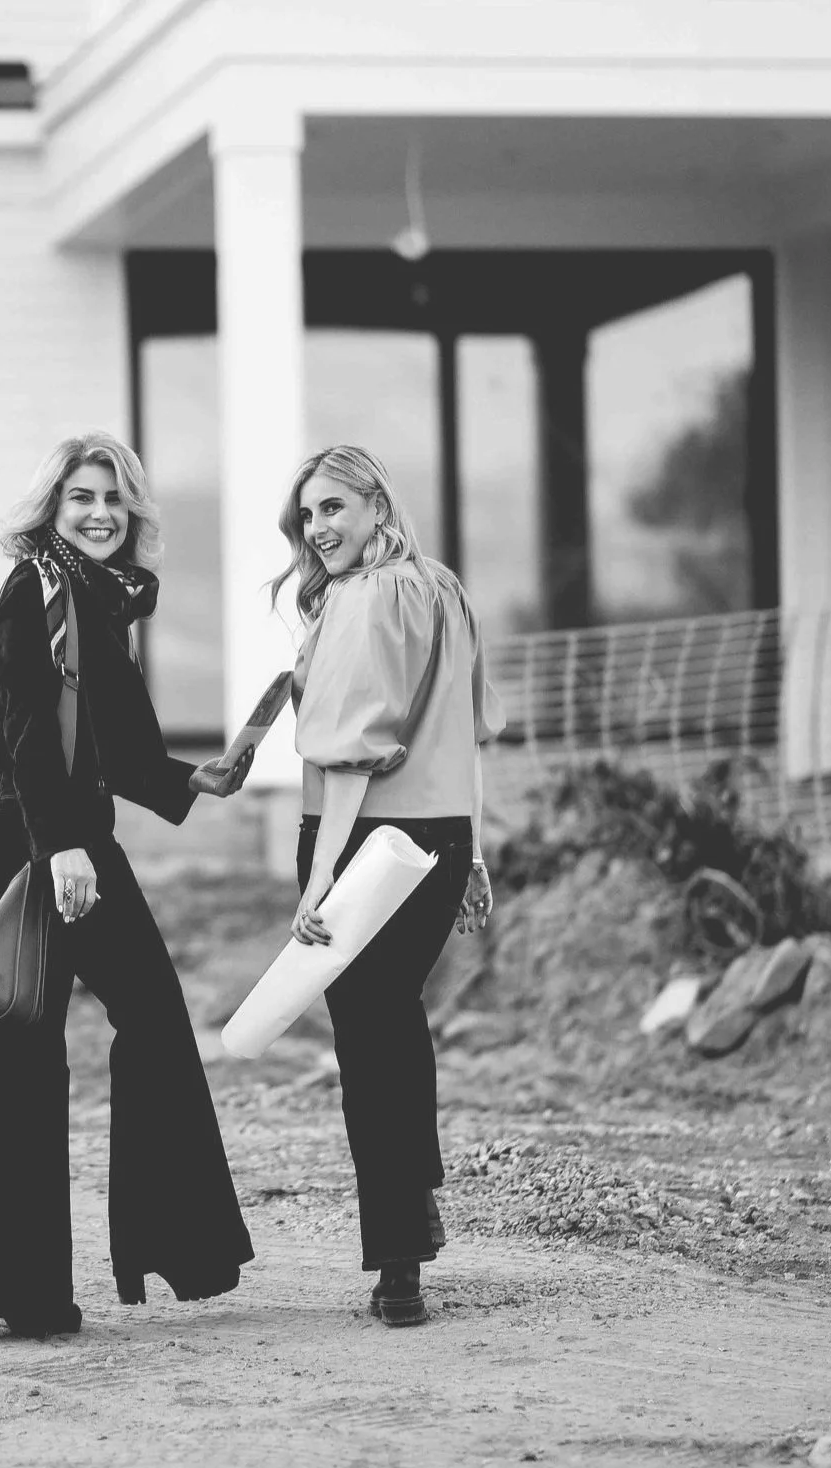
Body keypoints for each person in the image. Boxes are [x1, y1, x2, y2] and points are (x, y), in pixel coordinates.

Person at [0, 432, 258, 1341]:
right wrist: (63, 849)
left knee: (37, 1054)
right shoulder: (36, 590)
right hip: (36, 847)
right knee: (103, 1030)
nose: (100, 512)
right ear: (52, 507)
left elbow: (107, 737)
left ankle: (11, 1292)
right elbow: (30, 732)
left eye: (114, 498)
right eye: (82, 495)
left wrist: (186, 779)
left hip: (57, 838)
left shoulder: (90, 597)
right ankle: (126, 1258)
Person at [274, 443, 501, 1327]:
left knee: (368, 1048)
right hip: (439, 844)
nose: (316, 528)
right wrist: (475, 854)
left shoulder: (364, 597)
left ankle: (400, 1257)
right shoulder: (444, 588)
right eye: (307, 514)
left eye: (333, 508)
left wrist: (322, 872)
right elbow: (465, 735)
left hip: (364, 844)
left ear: (376, 504)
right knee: (395, 1022)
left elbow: (351, 751)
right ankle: (414, 1207)